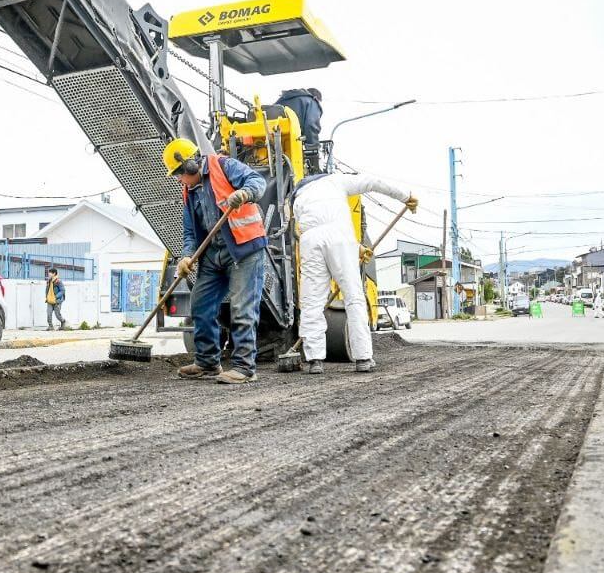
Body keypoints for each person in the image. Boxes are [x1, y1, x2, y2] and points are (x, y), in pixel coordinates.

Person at [164, 137, 268, 384]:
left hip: (244, 248)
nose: (179, 179)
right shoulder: (189, 191)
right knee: (200, 305)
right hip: (213, 254)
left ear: (190, 165)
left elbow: (258, 181)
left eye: (180, 173)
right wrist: (187, 255)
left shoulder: (224, 166)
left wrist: (245, 193)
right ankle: (208, 363)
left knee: (242, 309)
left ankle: (245, 368)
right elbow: (190, 231)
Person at [292, 172, 417, 374]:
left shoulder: (298, 197)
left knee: (312, 301)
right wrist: (406, 196)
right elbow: (373, 181)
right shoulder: (335, 180)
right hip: (340, 236)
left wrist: (356, 248)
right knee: (354, 297)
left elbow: (318, 228)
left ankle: (315, 360)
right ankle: (363, 358)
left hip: (310, 240)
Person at [274, 88, 324, 172]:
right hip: (293, 145)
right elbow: (311, 125)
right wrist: (313, 149)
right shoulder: (312, 101)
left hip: (273, 145)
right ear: (315, 97)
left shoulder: (281, 100)